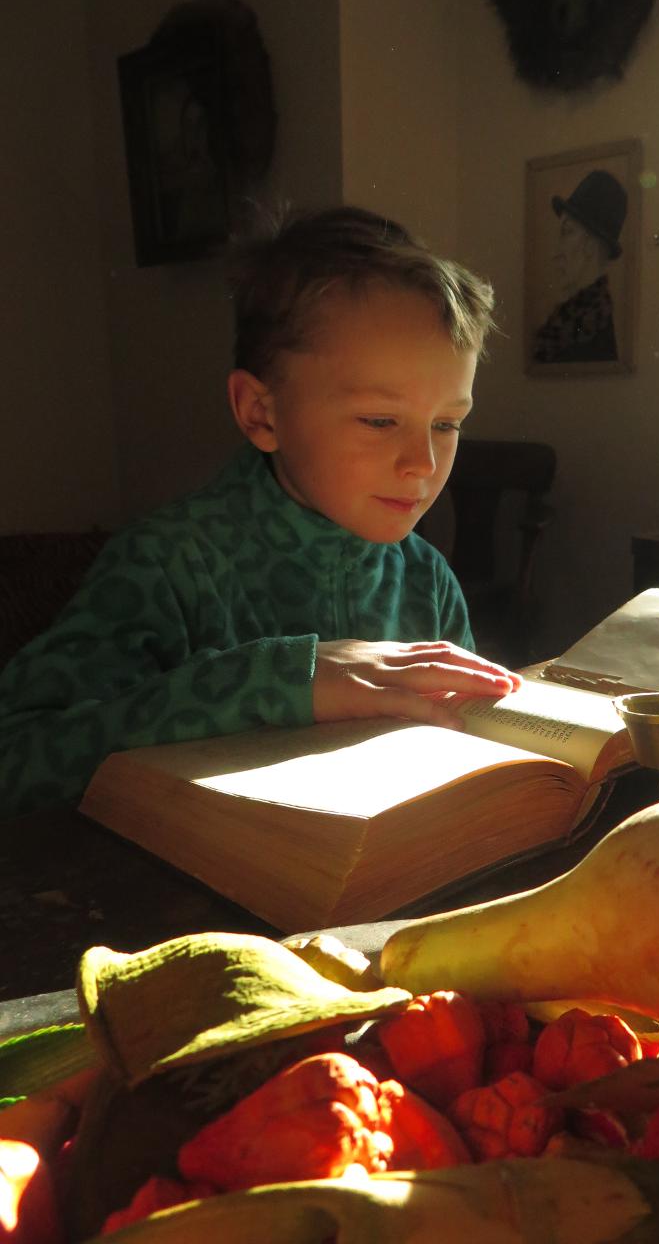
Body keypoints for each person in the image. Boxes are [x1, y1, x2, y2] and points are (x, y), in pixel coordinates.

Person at [0, 205, 521, 819]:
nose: (423, 463)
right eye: (380, 420)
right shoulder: (167, 565)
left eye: (447, 424)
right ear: (260, 413)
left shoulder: (427, 579)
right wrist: (276, 681)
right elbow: (18, 756)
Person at [532, 168, 626, 364]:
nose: (556, 252)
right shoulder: (565, 321)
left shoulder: (593, 331)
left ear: (591, 245)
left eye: (567, 232)